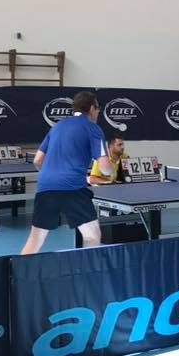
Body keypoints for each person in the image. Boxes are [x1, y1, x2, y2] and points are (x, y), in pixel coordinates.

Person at [20, 91, 112, 255]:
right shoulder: (93, 128)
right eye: (98, 108)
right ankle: (86, 269)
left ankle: (18, 270)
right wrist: (111, 171)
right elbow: (105, 167)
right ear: (92, 108)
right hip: (73, 188)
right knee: (92, 236)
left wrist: (52, 175)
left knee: (35, 239)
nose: (98, 111)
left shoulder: (57, 127)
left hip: (46, 187)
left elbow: (37, 160)